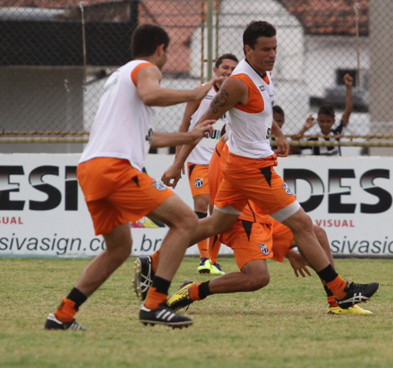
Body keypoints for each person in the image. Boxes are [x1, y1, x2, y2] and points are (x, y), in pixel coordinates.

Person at [151, 20, 378, 310]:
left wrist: (279, 134)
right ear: (248, 49)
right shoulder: (237, 83)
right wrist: (177, 163)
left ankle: (157, 263)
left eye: (275, 48)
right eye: (265, 49)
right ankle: (341, 290)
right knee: (303, 225)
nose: (272, 55)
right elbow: (203, 122)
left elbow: (261, 114)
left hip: (242, 166)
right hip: (252, 169)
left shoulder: (264, 75)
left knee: (217, 223)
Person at [44, 23, 217, 331]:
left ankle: (63, 315)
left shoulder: (118, 78)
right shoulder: (145, 68)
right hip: (115, 167)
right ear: (161, 49)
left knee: (119, 248)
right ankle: (155, 304)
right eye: (168, 53)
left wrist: (189, 137)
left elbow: (147, 138)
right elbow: (151, 95)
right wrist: (193, 92)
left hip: (91, 169)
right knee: (187, 221)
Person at [163, 135, 372, 316]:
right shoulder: (232, 144)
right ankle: (193, 290)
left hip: (263, 218)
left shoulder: (248, 136)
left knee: (316, 233)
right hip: (241, 221)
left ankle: (338, 302)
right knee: (258, 278)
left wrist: (290, 253)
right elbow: (222, 203)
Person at [174, 53, 238, 276]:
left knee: (219, 209)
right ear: (215, 70)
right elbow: (184, 125)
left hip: (224, 161)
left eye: (233, 69)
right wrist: (177, 159)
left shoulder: (237, 96)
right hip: (198, 159)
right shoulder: (200, 93)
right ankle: (203, 258)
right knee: (202, 202)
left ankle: (213, 259)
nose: (228, 72)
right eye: (225, 68)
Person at [294, 73, 354, 156]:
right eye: (322, 121)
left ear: (333, 121)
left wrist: (349, 88)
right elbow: (293, 145)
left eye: (328, 121)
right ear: (318, 121)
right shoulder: (314, 137)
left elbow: (348, 111)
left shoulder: (337, 132)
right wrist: (304, 129)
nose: (325, 124)